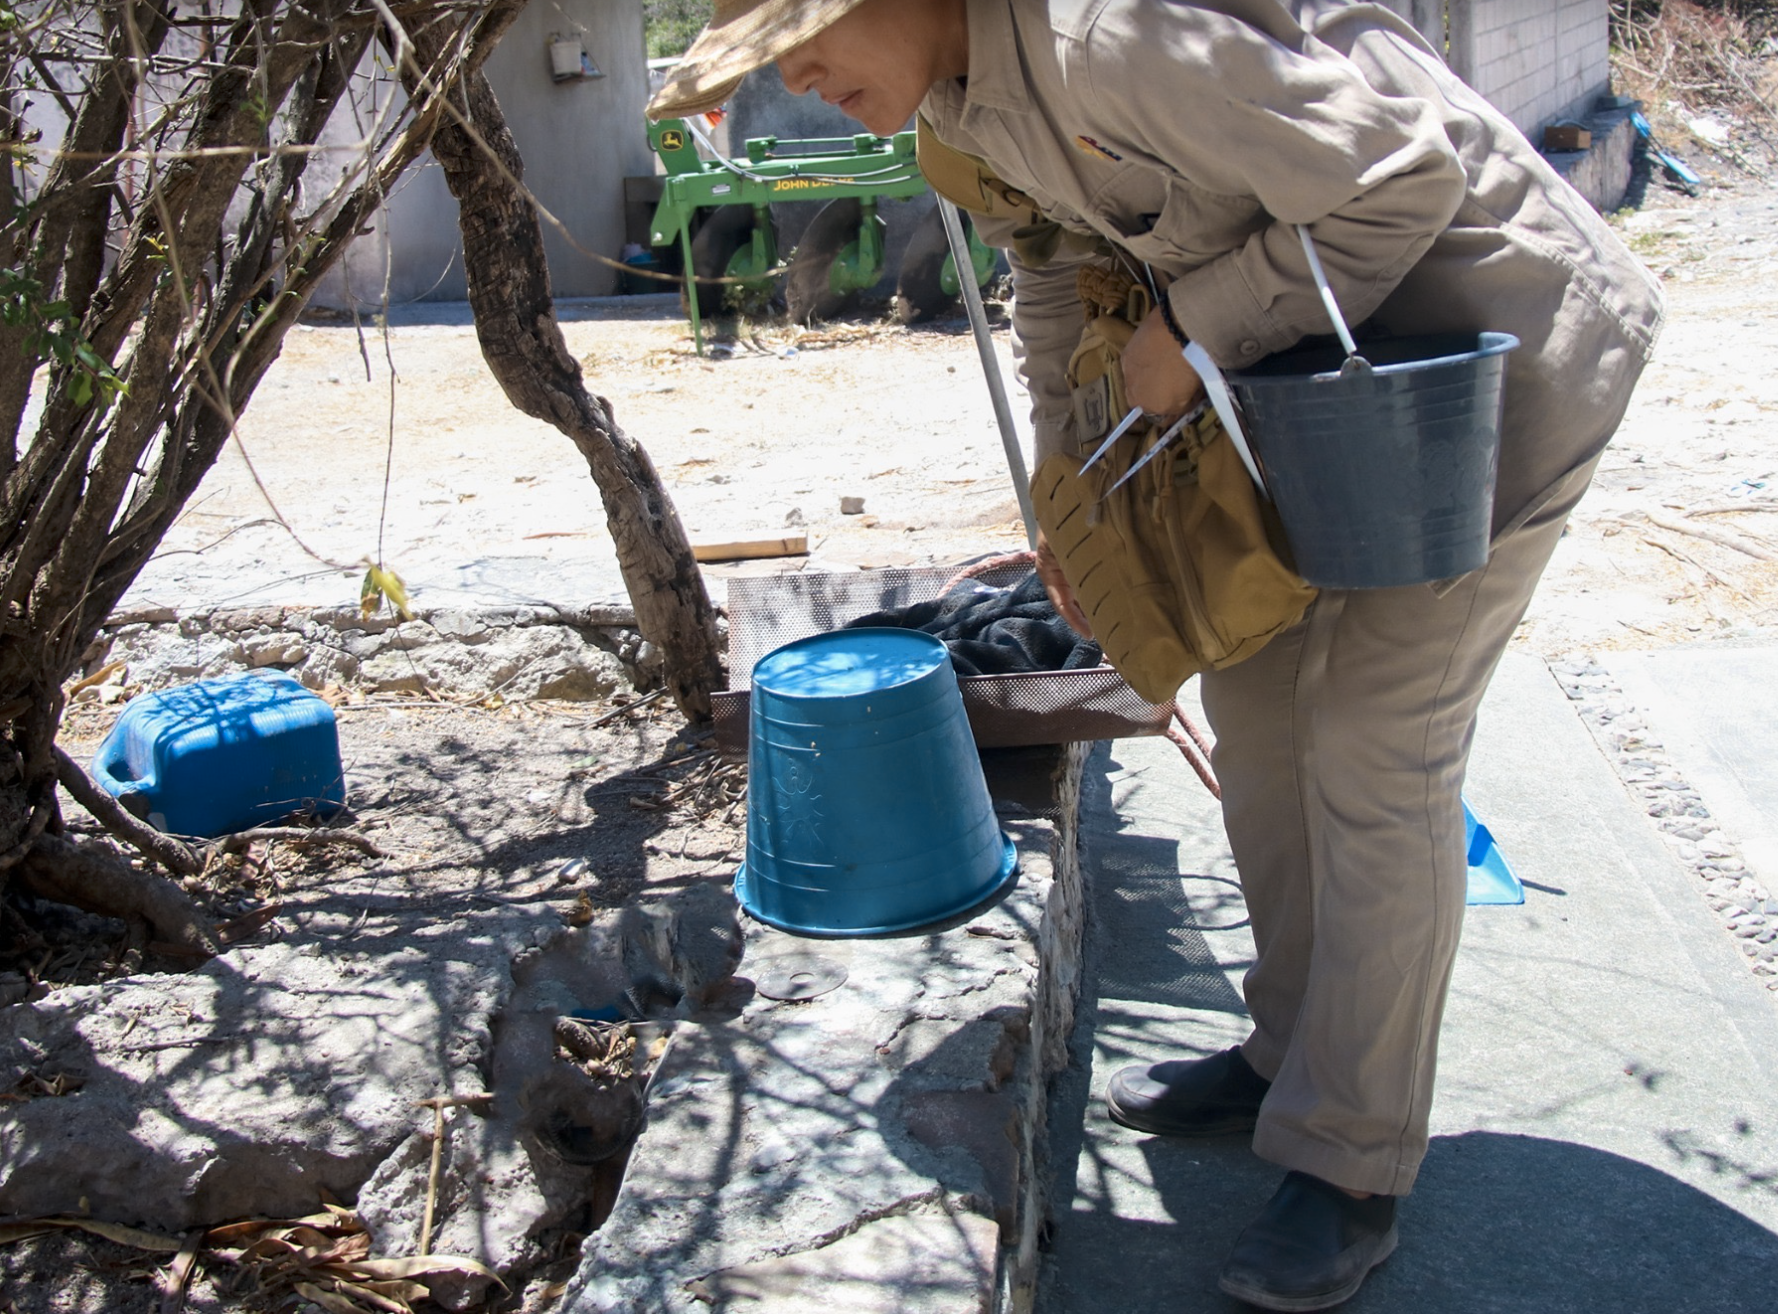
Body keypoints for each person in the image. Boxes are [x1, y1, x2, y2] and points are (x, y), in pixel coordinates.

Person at [651, 0, 1661, 1307]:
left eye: (811, 27)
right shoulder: (954, 115)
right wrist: (1067, 487)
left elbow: (1400, 179)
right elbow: (1052, 274)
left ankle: (1351, 1158)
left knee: (1368, 740)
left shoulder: (1104, 37)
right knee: (1254, 703)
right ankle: (1290, 1049)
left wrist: (1194, 330)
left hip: (1482, 359)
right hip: (1306, 392)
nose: (795, 73)